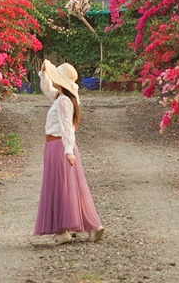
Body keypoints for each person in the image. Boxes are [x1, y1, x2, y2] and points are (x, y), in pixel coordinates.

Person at [33, 59, 104, 245]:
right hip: (56, 146)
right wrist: (43, 74)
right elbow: (48, 90)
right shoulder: (61, 97)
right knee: (69, 187)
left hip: (59, 147)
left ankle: (66, 229)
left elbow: (67, 128)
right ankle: (87, 226)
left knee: (62, 188)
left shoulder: (64, 101)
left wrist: (68, 151)